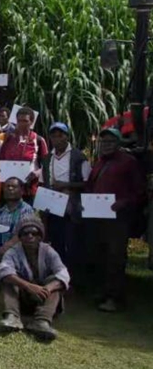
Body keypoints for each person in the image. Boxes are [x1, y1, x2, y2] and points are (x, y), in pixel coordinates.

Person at [85, 128, 146, 312]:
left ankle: (115, 297)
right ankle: (104, 292)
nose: (106, 145)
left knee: (116, 256)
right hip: (98, 216)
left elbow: (140, 192)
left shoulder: (128, 162)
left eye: (111, 142)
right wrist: (86, 201)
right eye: (104, 142)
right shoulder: (99, 163)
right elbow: (89, 186)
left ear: (118, 144)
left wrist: (123, 203)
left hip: (118, 218)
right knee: (100, 254)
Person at [0, 215, 69, 341]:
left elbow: (63, 272)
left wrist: (47, 288)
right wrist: (28, 286)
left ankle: (42, 321)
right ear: (20, 237)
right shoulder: (13, 252)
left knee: (55, 280)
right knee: (8, 278)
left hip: (44, 297)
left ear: (40, 236)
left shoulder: (48, 251)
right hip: (23, 297)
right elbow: (4, 270)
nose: (30, 236)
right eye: (25, 233)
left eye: (34, 233)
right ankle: (12, 316)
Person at [40, 122, 90, 270]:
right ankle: (57, 274)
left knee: (72, 242)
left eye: (60, 135)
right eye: (53, 136)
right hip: (53, 206)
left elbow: (87, 183)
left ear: (67, 137)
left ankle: (73, 276)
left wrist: (65, 185)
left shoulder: (78, 157)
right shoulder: (47, 158)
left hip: (72, 206)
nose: (57, 139)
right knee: (56, 241)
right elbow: (43, 183)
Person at [0, 107, 48, 196]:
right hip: (9, 191)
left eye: (25, 121)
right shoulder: (9, 139)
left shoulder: (38, 140)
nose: (21, 124)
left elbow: (48, 167)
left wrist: (36, 173)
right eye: (19, 121)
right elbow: (1, 160)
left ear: (31, 122)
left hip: (29, 190)